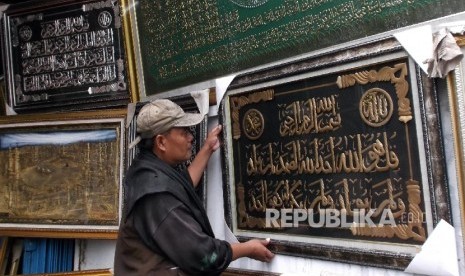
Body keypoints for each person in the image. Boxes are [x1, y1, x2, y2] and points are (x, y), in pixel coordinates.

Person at [114, 99, 274, 275]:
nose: (191, 137)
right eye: (184, 132)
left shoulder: (146, 171)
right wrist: (248, 249)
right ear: (161, 142)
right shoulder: (157, 196)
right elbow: (202, 255)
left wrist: (207, 149)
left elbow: (180, 188)